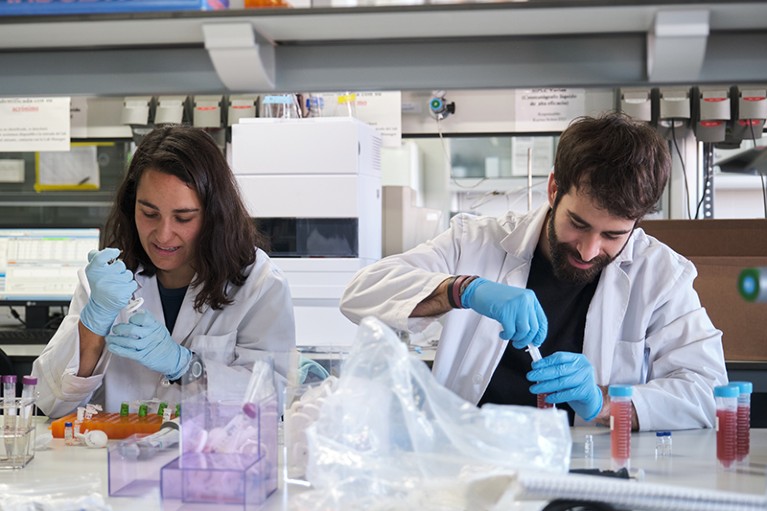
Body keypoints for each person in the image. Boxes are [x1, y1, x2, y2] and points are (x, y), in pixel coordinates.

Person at [341, 112, 727, 431]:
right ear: (554, 188)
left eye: (613, 235)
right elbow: (361, 293)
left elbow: (709, 392)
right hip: (470, 462)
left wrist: (604, 401)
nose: (589, 249)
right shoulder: (476, 241)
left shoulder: (661, 276)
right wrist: (464, 290)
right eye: (577, 223)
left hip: (587, 471)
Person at [33, 126, 296, 418]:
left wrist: (186, 367)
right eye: (149, 214)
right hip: (114, 457)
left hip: (209, 459)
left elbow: (272, 400)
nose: (163, 235)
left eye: (183, 218)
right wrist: (93, 324)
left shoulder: (259, 283)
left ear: (214, 215)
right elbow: (47, 400)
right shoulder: (109, 279)